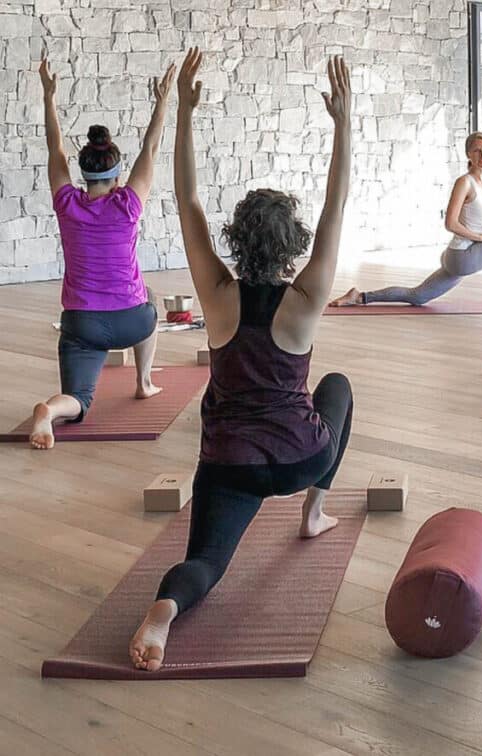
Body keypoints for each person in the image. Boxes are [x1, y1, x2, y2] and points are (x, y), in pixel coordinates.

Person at [129, 49, 354, 672]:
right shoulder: (304, 300)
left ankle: (164, 612)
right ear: (295, 247)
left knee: (204, 562)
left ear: (236, 240)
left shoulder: (218, 295)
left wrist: (185, 115)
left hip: (229, 462)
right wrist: (344, 123)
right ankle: (315, 511)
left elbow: (188, 201)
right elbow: (336, 207)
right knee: (336, 386)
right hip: (299, 458)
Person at [26, 58, 176, 450]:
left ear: (84, 172)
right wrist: (163, 101)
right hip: (133, 321)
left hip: (82, 325)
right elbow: (152, 147)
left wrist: (48, 95)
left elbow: (54, 147)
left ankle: (51, 413)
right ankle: (143, 383)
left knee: (79, 400)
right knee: (151, 299)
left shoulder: (67, 203)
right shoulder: (128, 204)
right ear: (116, 175)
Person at [330, 131, 482, 356]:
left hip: (470, 256)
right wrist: (481, 237)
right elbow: (450, 223)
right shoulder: (464, 183)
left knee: (417, 296)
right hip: (461, 256)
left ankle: (360, 296)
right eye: (477, 150)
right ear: (468, 154)